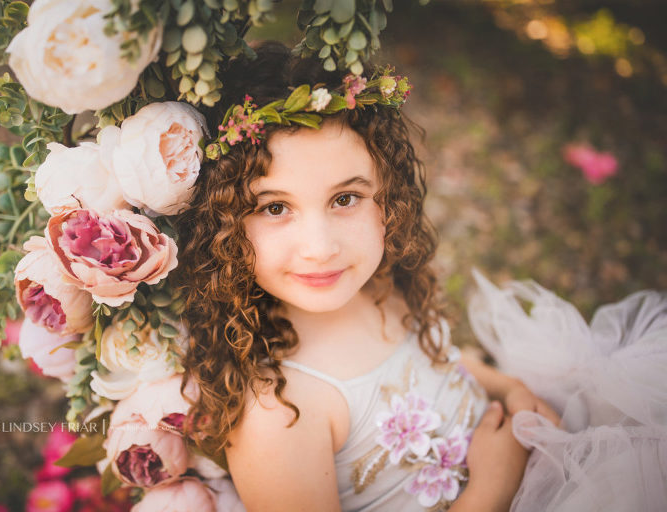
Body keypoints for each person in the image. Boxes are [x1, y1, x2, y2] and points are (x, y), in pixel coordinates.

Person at [175, 42, 667, 511]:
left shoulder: (380, 286)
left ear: (388, 195)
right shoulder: (279, 412)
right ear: (221, 223)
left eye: (345, 199)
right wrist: (493, 489)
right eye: (275, 207)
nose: (321, 248)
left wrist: (507, 389)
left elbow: (443, 360)